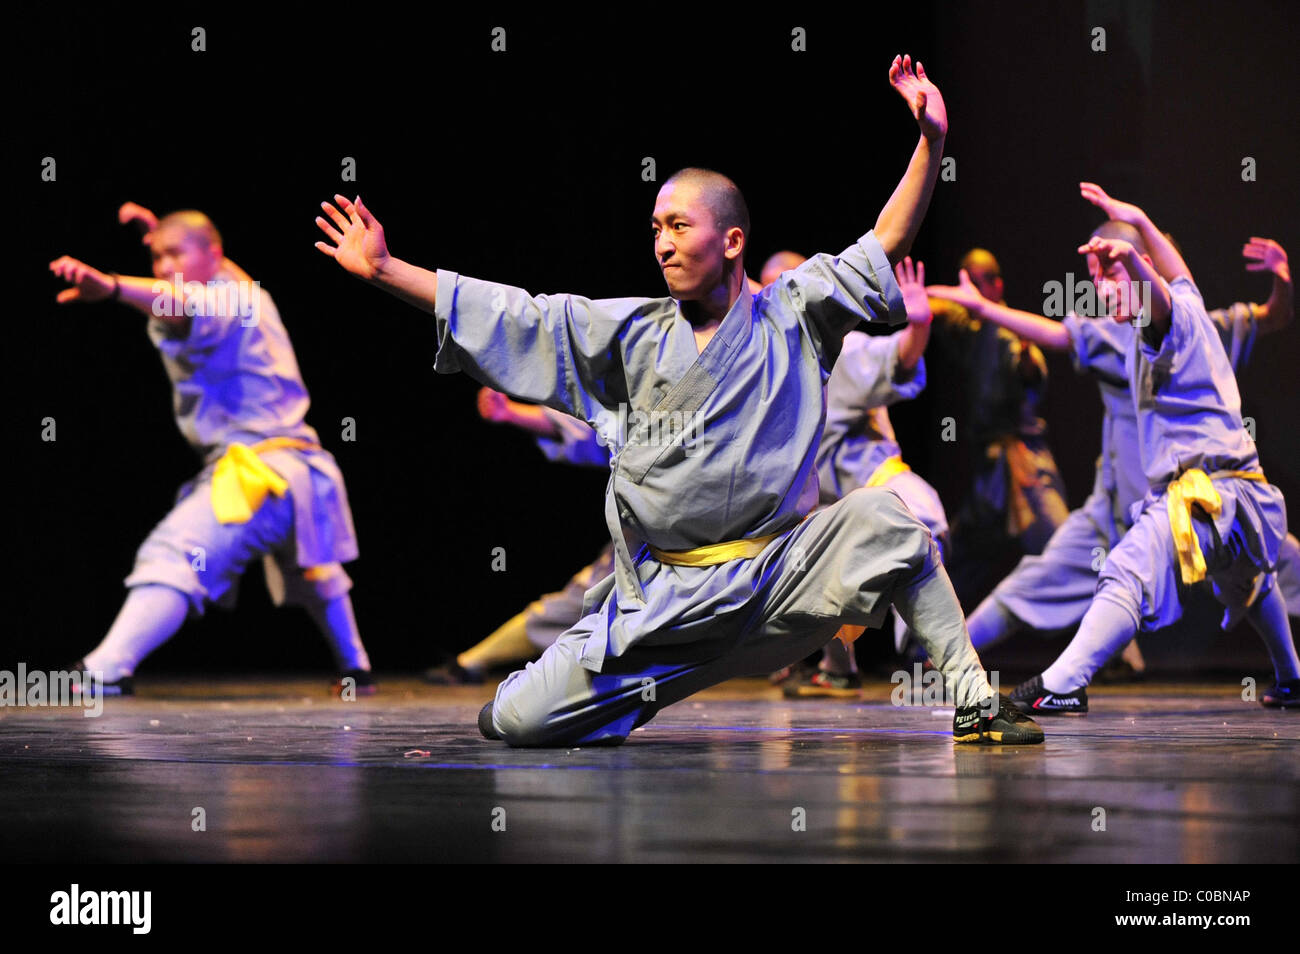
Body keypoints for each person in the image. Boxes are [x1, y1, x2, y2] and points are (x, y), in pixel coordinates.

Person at [315, 56, 1043, 745]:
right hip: (663, 607)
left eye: (678, 226)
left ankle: (975, 702)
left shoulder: (796, 313)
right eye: (655, 228)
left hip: (775, 585)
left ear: (731, 241)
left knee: (889, 517)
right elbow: (520, 315)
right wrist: (385, 269)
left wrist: (931, 138)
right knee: (509, 722)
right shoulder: (632, 331)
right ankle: (627, 696)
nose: (661, 244)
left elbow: (884, 239)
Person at [929, 186, 1298, 704]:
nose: (1103, 289)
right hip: (1240, 498)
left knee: (1125, 570)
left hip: (1204, 496)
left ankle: (1062, 684)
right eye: (1096, 279)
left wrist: (1133, 257)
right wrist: (1140, 221)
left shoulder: (1164, 323)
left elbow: (1159, 299)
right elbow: (1178, 277)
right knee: (1248, 579)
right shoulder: (1185, 301)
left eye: (1114, 274)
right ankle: (1293, 678)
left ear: (1145, 269)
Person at [48, 205, 374, 697]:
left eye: (175, 253)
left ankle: (107, 668)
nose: (162, 266)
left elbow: (176, 302)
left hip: (257, 473)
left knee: (176, 551)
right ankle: (357, 667)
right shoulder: (248, 293)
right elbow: (187, 280)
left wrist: (113, 287)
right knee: (312, 568)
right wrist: (160, 234)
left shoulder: (218, 301)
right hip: (301, 474)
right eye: (157, 256)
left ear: (213, 255)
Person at [757, 252, 951, 698]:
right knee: (803, 559)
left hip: (872, 483)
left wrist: (918, 327)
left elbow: (894, 358)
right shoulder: (761, 365)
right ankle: (835, 668)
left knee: (925, 517)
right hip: (816, 508)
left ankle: (924, 651)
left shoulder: (836, 350)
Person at [424, 387, 615, 684]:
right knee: (587, 598)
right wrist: (512, 412)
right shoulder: (650, 391)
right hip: (651, 531)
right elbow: (595, 430)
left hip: (708, 534)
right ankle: (472, 662)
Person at [928, 248, 1070, 609]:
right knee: (956, 559)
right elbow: (936, 309)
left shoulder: (1009, 331)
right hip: (991, 475)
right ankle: (921, 650)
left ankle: (1123, 658)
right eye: (967, 285)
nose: (972, 293)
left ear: (996, 285)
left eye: (978, 284)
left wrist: (1025, 359)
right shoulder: (973, 328)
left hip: (1025, 468)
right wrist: (934, 296)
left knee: (1067, 555)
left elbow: (1031, 372)